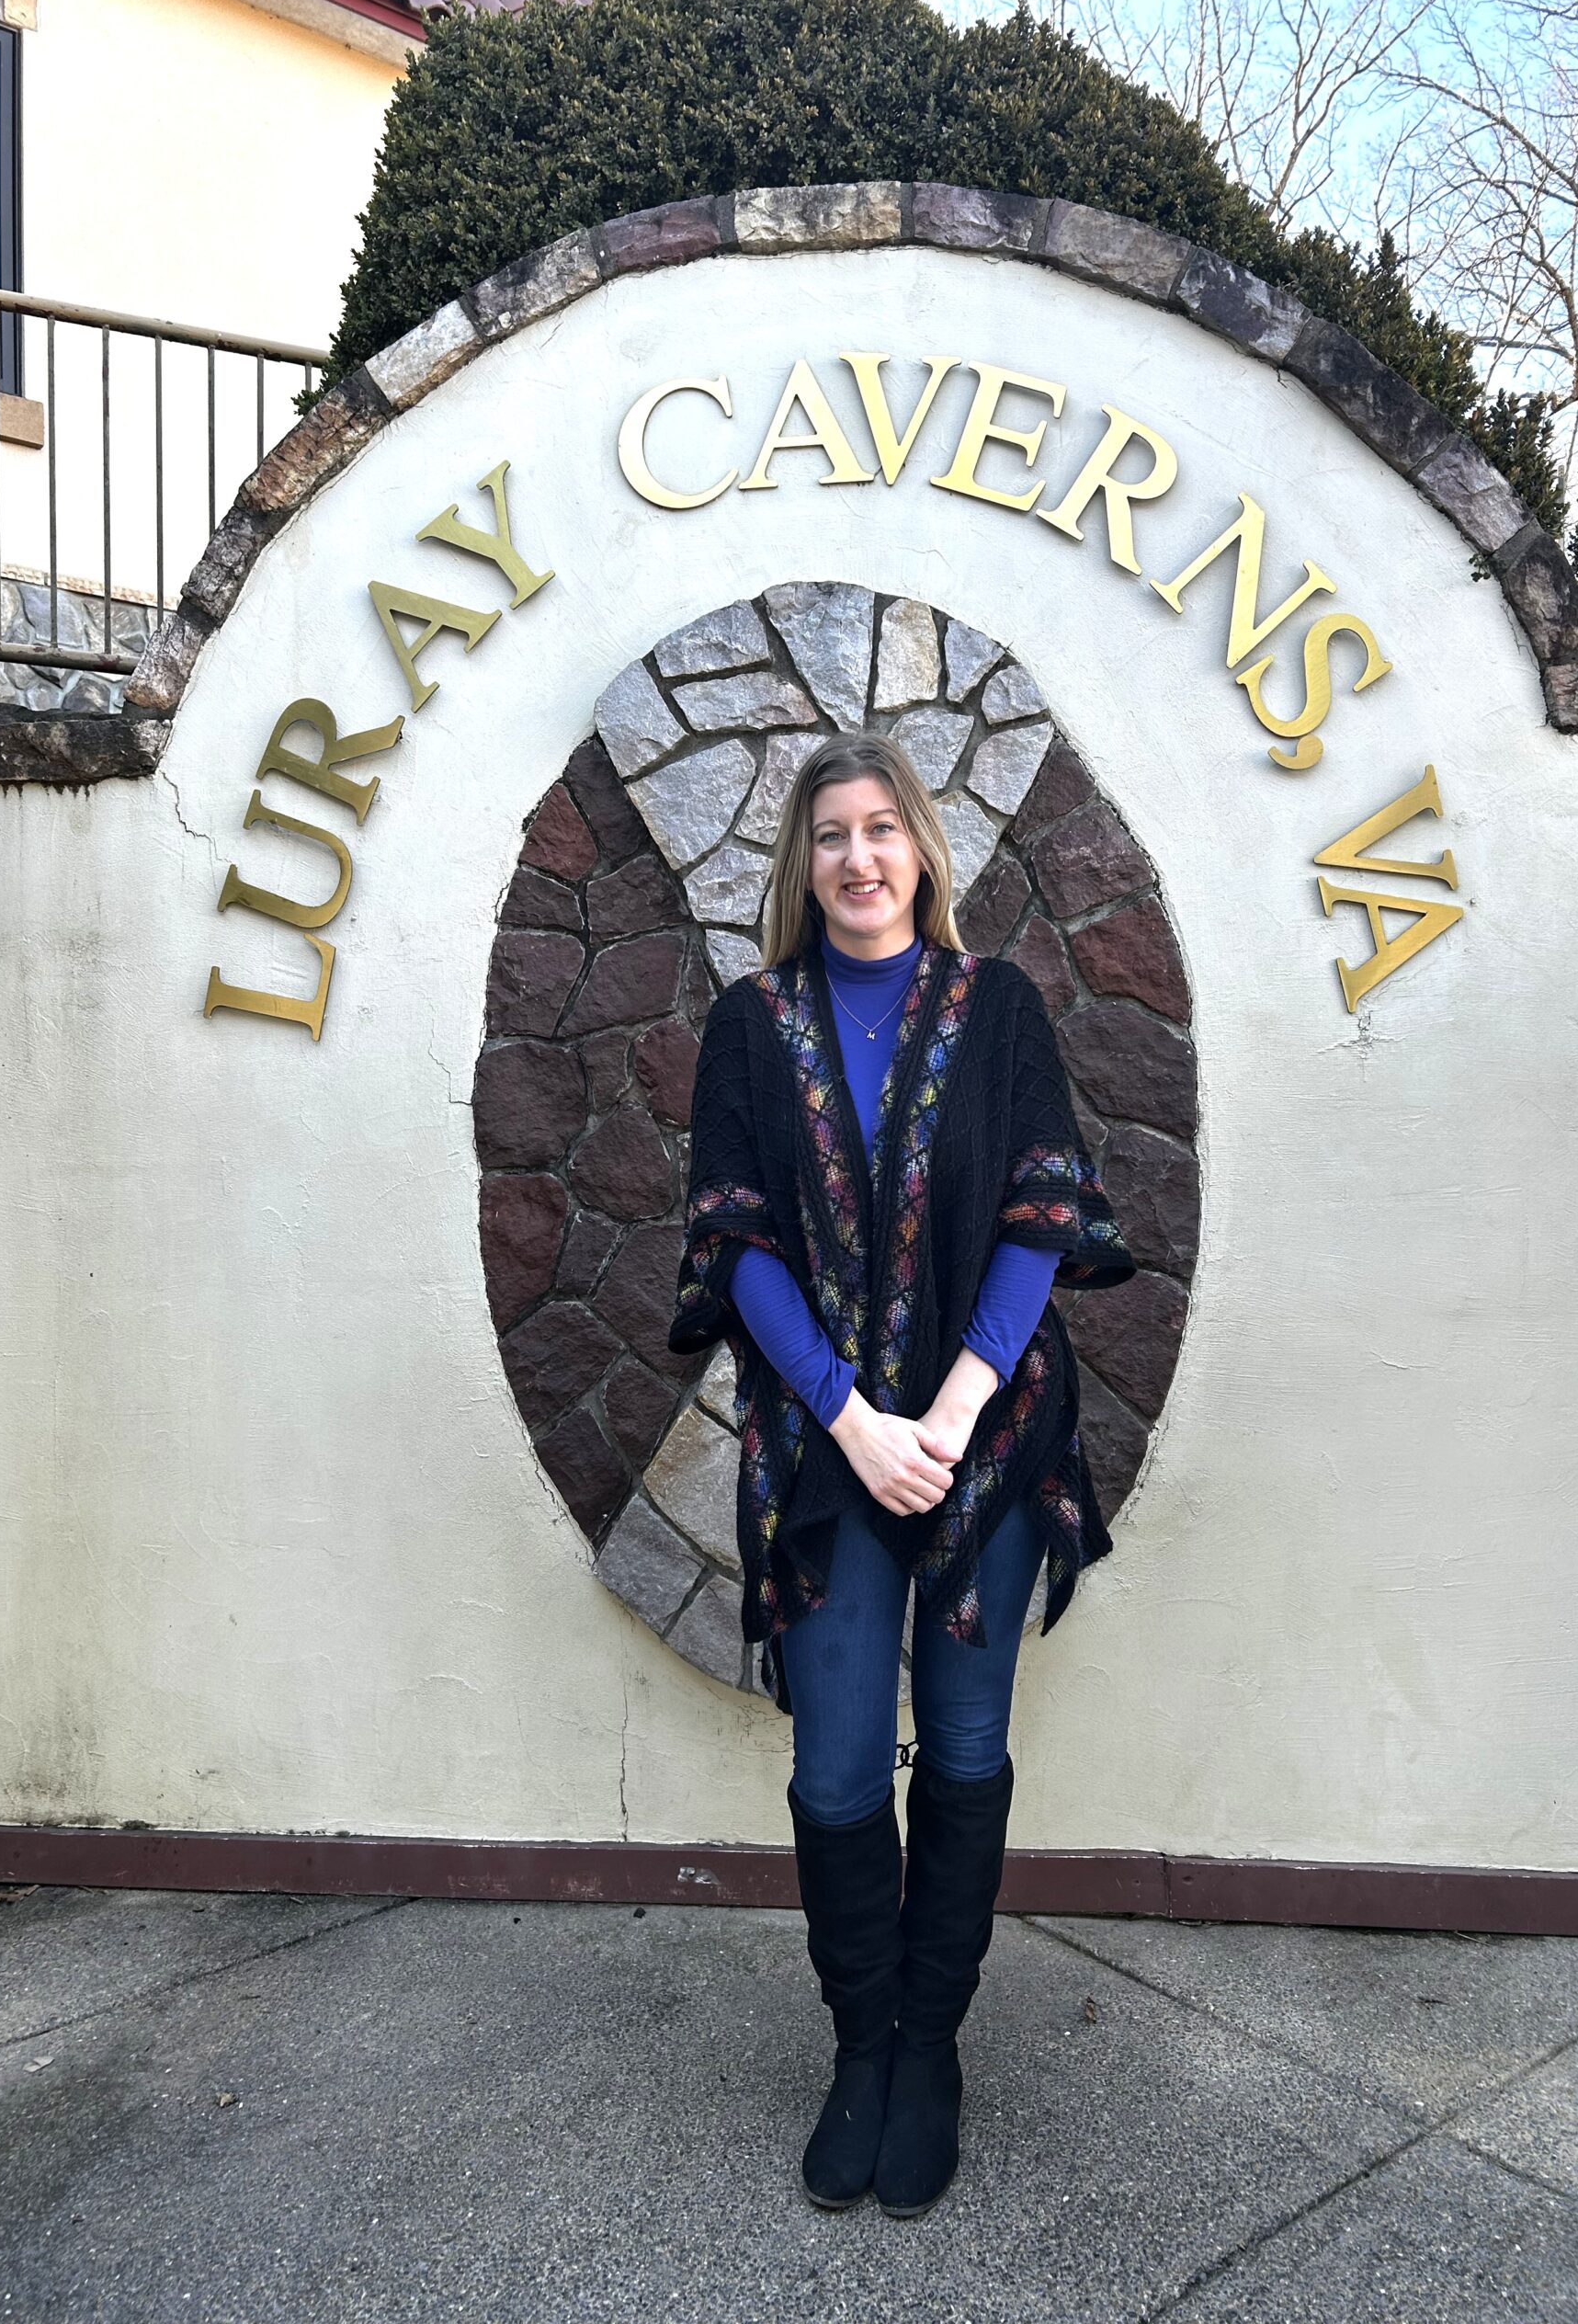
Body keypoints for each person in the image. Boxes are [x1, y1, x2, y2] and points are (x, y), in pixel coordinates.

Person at [668, 730, 1135, 2218]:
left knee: (971, 1748)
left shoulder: (995, 1010)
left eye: (883, 830)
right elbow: (734, 1244)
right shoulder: (753, 1024)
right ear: (801, 867)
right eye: (829, 836)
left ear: (924, 848)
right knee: (833, 1762)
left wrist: (948, 1407)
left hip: (983, 1446)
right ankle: (860, 2046)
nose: (859, 858)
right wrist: (853, 1416)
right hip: (823, 1457)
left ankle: (931, 2049)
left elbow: (1037, 1219)